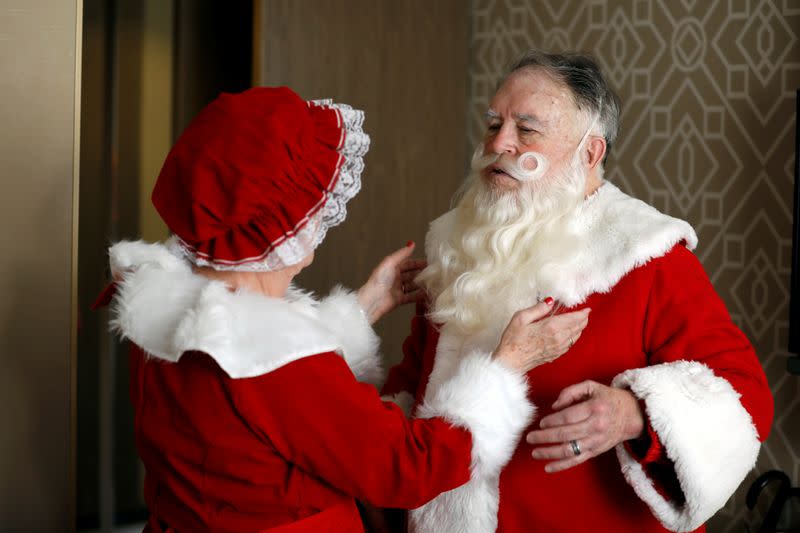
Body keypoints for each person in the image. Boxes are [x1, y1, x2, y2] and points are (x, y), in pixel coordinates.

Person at [97, 87, 590, 532]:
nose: (322, 213)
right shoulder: (278, 366)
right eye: (313, 202)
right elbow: (410, 467)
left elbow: (276, 413)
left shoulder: (169, 316)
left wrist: (363, 307)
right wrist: (503, 369)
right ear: (281, 224)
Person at [380, 51, 774, 532]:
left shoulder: (648, 255)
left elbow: (744, 394)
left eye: (526, 130)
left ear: (590, 153)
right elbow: (415, 378)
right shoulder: (455, 244)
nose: (498, 143)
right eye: (492, 125)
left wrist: (633, 413)